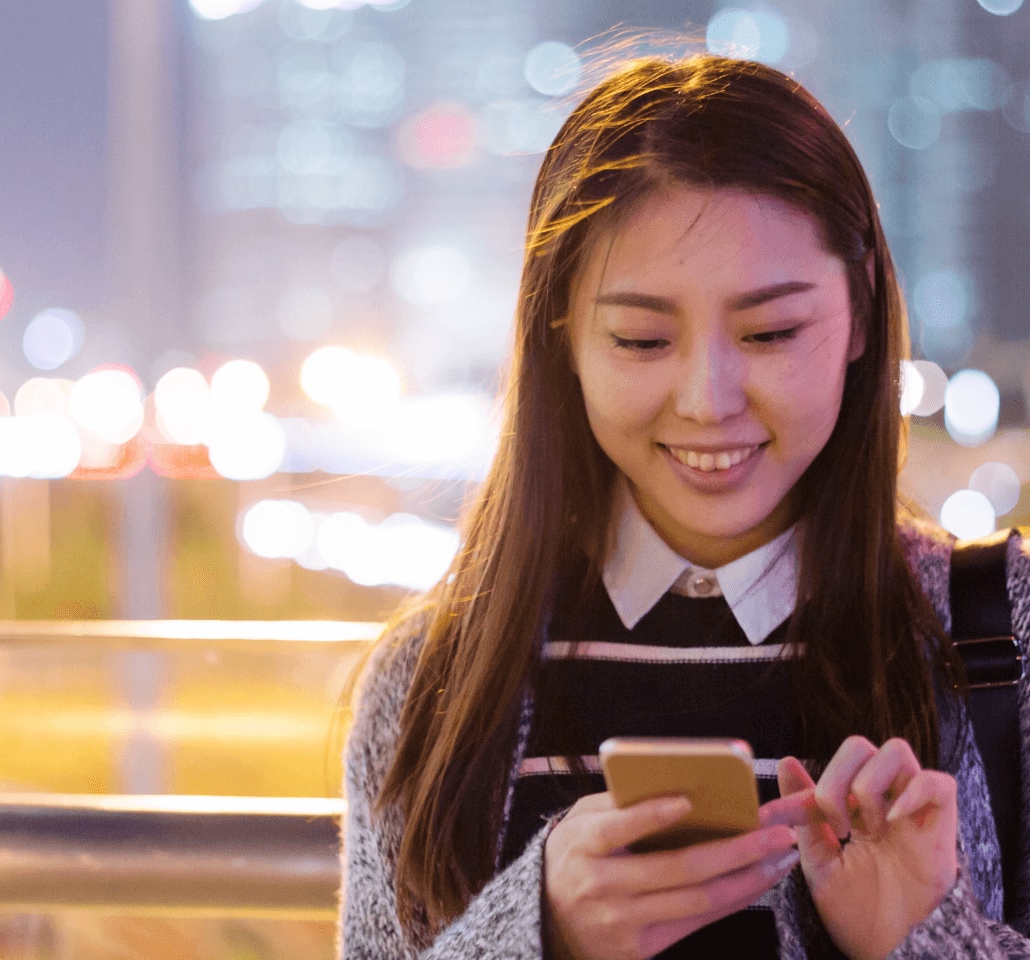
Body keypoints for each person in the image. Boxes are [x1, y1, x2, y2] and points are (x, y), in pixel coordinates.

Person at [338, 52, 1030, 959]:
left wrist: (923, 938)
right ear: (564, 337)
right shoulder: (434, 680)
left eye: (770, 331)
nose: (709, 398)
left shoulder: (1005, 633)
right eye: (642, 338)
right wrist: (535, 933)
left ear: (861, 312)